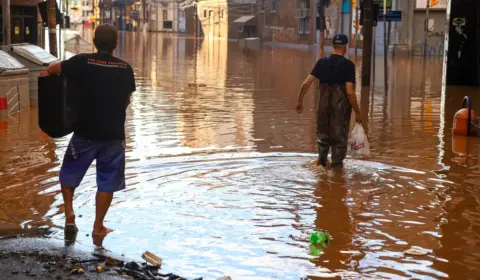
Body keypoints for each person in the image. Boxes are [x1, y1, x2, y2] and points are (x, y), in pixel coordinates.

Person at [47, 24, 136, 238]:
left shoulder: (82, 61)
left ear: (94, 42)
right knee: (107, 181)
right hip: (113, 135)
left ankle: (69, 214)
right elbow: (126, 100)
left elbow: (52, 70)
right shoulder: (125, 69)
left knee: (68, 173)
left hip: (84, 132)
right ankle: (98, 227)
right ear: (116, 45)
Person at [296, 34, 361, 169]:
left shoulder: (321, 62)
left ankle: (321, 168)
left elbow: (306, 83)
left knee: (323, 139)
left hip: (323, 109)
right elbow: (349, 92)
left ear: (333, 46)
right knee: (339, 141)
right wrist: (358, 112)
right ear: (345, 47)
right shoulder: (348, 66)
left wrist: (300, 100)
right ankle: (337, 176)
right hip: (340, 111)